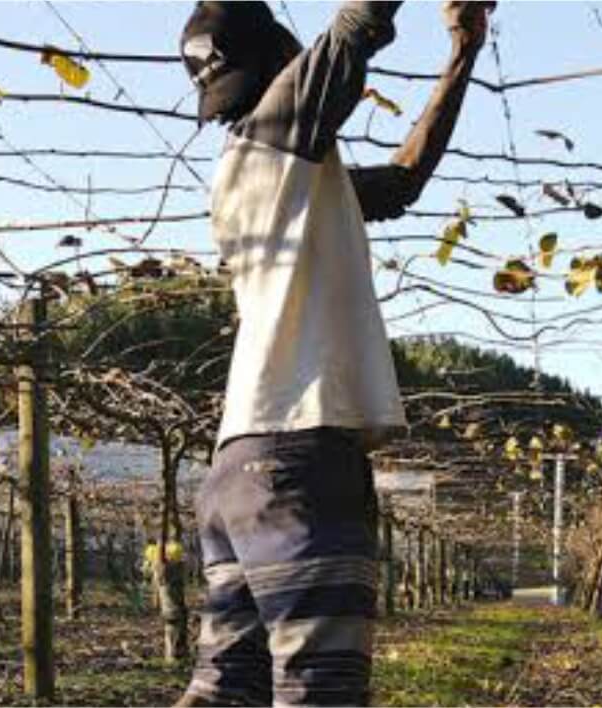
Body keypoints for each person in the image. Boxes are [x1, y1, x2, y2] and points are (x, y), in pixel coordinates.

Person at [177, 2, 491, 705]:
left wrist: (462, 52)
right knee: (321, 691)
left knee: (225, 691)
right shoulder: (274, 140)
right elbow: (356, 27)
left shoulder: (281, 180)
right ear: (283, 63)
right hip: (300, 465)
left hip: (238, 472)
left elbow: (403, 183)